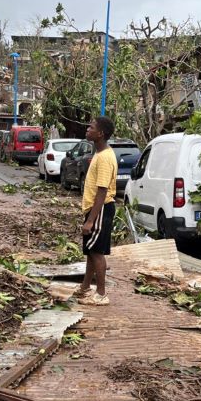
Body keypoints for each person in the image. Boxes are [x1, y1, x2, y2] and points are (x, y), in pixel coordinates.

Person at [74, 116, 117, 306]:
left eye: (91, 127)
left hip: (100, 209)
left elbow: (102, 190)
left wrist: (90, 220)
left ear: (100, 134)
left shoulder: (106, 158)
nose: (87, 129)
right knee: (91, 250)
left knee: (97, 252)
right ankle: (85, 288)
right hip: (96, 209)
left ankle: (101, 294)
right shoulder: (100, 154)